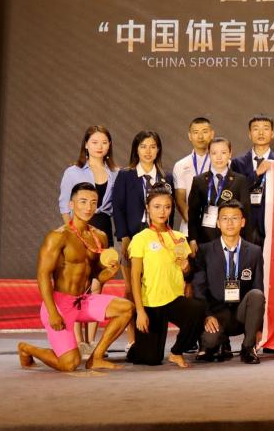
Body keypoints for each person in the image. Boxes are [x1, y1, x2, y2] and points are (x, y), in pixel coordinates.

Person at [18, 182, 133, 372]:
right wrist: (52, 312)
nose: (88, 207)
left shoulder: (100, 236)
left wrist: (108, 274)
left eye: (93, 202)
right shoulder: (58, 237)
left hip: (83, 301)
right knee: (69, 364)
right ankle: (26, 348)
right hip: (59, 305)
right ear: (71, 204)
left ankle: (96, 357)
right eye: (83, 201)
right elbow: (43, 275)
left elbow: (96, 274)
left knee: (127, 308)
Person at [126, 185, 206, 367]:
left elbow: (188, 274)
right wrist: (140, 311)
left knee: (198, 310)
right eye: (157, 206)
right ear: (147, 208)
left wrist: (186, 268)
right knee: (150, 359)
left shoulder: (179, 237)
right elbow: (134, 276)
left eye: (167, 207)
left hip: (174, 299)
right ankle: (135, 349)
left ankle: (176, 352)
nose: (162, 212)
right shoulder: (140, 238)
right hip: (150, 303)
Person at [57, 125, 119, 357]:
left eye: (104, 142)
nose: (99, 146)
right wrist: (72, 232)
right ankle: (78, 340)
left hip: (102, 228)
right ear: (86, 144)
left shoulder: (115, 173)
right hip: (79, 229)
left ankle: (92, 341)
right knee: (78, 284)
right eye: (94, 142)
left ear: (109, 145)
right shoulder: (73, 172)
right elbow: (64, 204)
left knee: (97, 285)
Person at [112, 130, 173, 350]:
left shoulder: (166, 177)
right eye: (143, 146)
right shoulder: (125, 175)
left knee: (155, 286)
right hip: (133, 236)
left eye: (153, 146)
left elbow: (171, 212)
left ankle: (153, 336)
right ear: (136, 149)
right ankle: (132, 339)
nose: (148, 151)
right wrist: (124, 237)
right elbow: (118, 208)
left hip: (158, 237)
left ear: (159, 150)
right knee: (131, 288)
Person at [192, 201, 265, 364]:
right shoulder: (205, 250)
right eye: (225, 218)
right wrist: (207, 315)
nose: (230, 223)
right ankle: (221, 343)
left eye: (235, 218)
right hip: (216, 314)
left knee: (257, 294)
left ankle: (248, 348)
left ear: (243, 222)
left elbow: (258, 287)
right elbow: (199, 289)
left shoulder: (254, 251)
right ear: (218, 223)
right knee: (210, 343)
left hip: (241, 313)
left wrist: (258, 327)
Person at [230, 114, 274, 243]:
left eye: (266, 128)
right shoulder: (237, 163)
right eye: (256, 129)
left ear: (272, 134)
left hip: (273, 223)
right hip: (245, 223)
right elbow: (235, 191)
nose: (261, 133)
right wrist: (257, 173)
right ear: (249, 134)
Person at [188, 137, 253, 252]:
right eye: (214, 153)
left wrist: (246, 243)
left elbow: (246, 214)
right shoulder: (199, 180)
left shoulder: (240, 180)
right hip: (205, 239)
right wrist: (192, 239)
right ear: (209, 155)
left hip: (232, 239)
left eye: (223, 152)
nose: (219, 157)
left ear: (230, 154)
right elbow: (193, 214)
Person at [173, 117, 215, 234]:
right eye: (196, 132)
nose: (200, 136)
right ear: (190, 136)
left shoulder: (224, 163)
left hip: (217, 229)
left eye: (205, 132)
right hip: (189, 229)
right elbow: (180, 200)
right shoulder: (180, 165)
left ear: (212, 134)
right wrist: (194, 225)